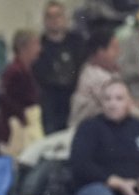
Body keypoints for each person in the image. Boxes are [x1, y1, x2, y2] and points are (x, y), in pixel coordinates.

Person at [33, 1, 86, 134]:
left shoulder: (77, 41)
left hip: (73, 97)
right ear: (44, 20)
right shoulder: (39, 45)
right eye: (50, 17)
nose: (54, 20)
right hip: (50, 101)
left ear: (65, 18)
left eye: (58, 16)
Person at [0, 29, 43, 154]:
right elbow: (4, 98)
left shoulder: (27, 70)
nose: (39, 49)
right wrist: (22, 115)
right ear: (24, 47)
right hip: (16, 129)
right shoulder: (14, 71)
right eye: (35, 44)